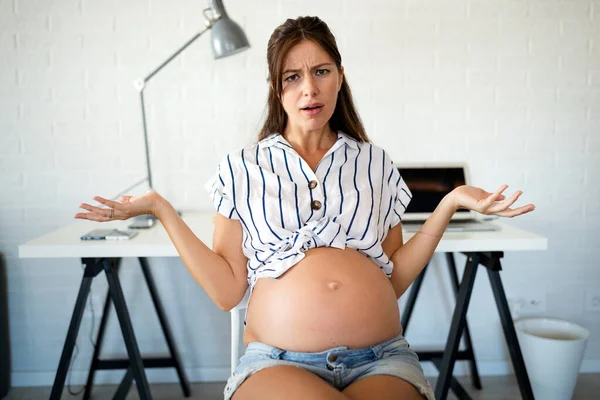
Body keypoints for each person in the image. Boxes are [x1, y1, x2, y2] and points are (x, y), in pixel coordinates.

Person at [75, 16, 535, 400]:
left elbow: (391, 277)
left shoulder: (373, 162)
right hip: (277, 361)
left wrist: (451, 202)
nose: (308, 89)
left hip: (382, 358)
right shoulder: (243, 167)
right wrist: (160, 208)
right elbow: (228, 292)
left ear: (340, 75)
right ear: (276, 90)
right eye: (292, 77)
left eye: (321, 71)